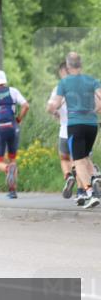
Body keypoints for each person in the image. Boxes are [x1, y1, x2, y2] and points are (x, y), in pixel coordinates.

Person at [48, 52, 101, 209]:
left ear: (68, 66)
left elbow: (54, 105)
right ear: (81, 65)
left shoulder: (64, 83)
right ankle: (95, 176)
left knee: (77, 161)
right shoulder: (92, 81)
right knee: (84, 157)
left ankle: (90, 194)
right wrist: (95, 110)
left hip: (75, 125)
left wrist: (52, 109)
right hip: (92, 125)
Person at [0, 70, 29, 199]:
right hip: (13, 127)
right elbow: (26, 106)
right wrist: (18, 119)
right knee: (12, 158)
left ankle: (7, 169)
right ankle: (13, 191)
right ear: (5, 81)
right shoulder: (13, 91)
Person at [48, 62, 76, 198]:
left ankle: (69, 176)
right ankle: (85, 190)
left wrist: (55, 113)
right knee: (81, 160)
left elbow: (51, 107)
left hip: (65, 129)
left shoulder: (59, 88)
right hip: (83, 127)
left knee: (64, 158)